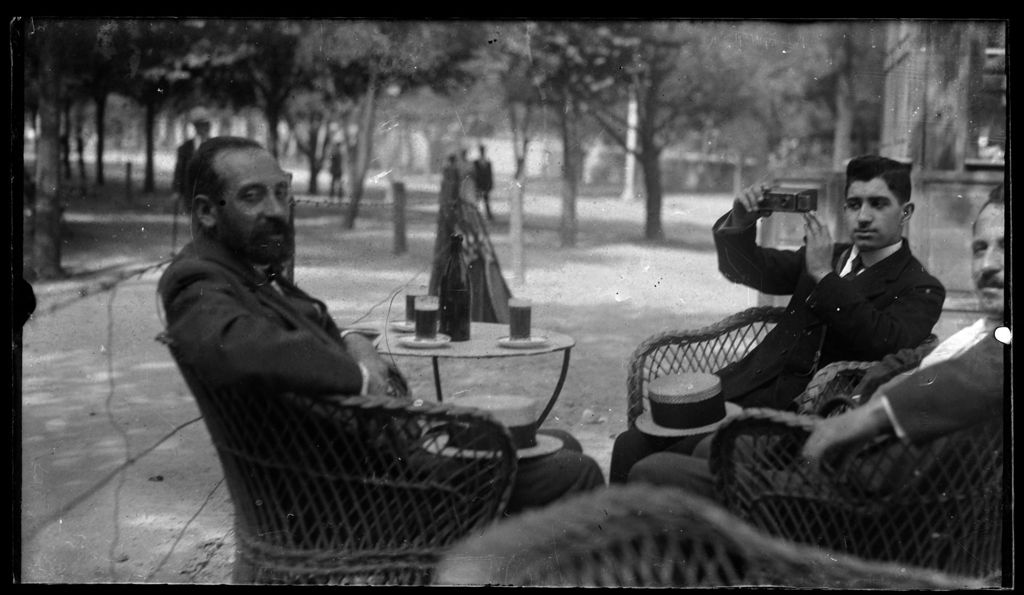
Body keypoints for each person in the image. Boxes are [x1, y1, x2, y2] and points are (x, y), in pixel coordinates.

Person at [159, 137, 601, 515]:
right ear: (206, 212)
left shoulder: (245, 271)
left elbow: (306, 331)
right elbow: (235, 346)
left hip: (373, 464)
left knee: (559, 443)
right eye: (252, 196)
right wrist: (360, 376)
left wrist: (355, 342)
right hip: (362, 499)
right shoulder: (197, 279)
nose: (276, 210)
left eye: (281, 192)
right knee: (574, 470)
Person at [624, 184, 1005, 499]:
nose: (864, 217)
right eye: (854, 205)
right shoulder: (831, 253)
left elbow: (883, 342)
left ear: (905, 213)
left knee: (672, 461)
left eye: (878, 204)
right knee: (632, 443)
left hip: (803, 409)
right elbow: (750, 270)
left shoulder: (918, 285)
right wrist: (740, 222)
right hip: (746, 388)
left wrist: (824, 276)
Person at [801, 184, 1006, 468]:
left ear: (905, 213)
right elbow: (918, 357)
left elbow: (991, 366)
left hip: (871, 484)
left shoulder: (921, 285)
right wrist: (869, 396)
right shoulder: (989, 327)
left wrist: (874, 414)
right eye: (979, 248)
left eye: (1005, 246)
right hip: (847, 441)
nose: (986, 265)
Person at [171, 107, 213, 214]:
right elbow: (179, 170)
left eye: (207, 124)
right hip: (191, 193)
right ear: (196, 127)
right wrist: (177, 191)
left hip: (210, 193)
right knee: (193, 221)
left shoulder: (215, 146)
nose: (205, 128)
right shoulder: (185, 148)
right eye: (201, 125)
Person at [474, 144, 495, 221]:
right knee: (477, 201)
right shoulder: (476, 162)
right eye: (481, 150)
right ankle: (475, 215)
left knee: (486, 201)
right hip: (479, 185)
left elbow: (490, 175)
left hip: (485, 185)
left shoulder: (487, 162)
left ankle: (489, 215)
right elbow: (475, 174)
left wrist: (490, 185)